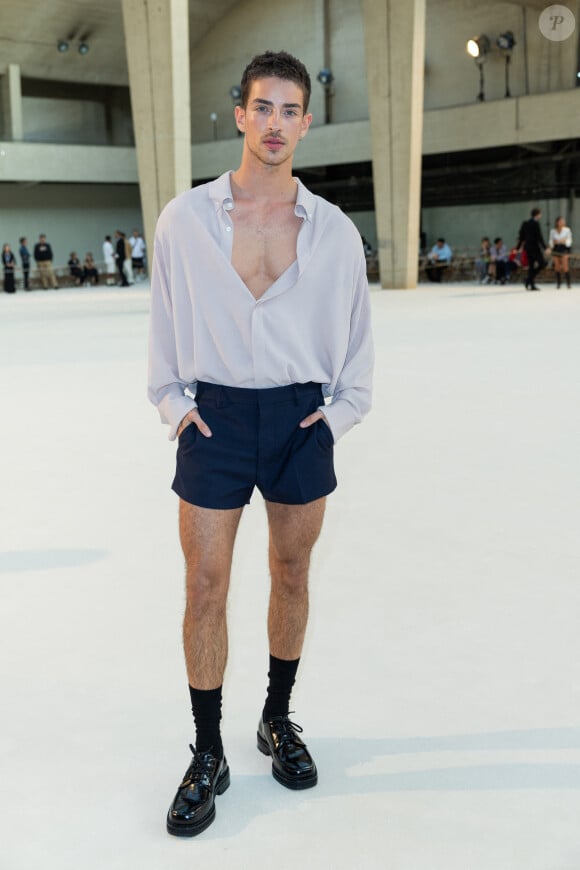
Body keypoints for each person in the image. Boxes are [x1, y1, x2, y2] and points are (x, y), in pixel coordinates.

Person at [148, 50, 374, 839]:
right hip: (213, 418)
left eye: (290, 111)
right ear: (240, 115)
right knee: (205, 586)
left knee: (290, 570)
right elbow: (163, 333)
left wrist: (335, 417)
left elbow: (358, 351)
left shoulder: (337, 234)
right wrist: (177, 408)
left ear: (306, 124)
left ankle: (277, 719)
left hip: (298, 420)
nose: (275, 124)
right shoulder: (184, 220)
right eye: (262, 107)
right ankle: (206, 751)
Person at [517, 207, 549, 291]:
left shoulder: (525, 223)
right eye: (540, 214)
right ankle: (529, 280)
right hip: (534, 248)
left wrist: (518, 247)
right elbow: (539, 237)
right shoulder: (535, 224)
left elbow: (521, 237)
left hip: (527, 248)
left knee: (531, 266)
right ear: (537, 214)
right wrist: (545, 248)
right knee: (542, 263)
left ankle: (531, 283)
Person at [549, 216, 572, 289]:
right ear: (557, 222)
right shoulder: (553, 231)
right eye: (561, 221)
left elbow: (569, 240)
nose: (562, 222)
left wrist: (563, 241)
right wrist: (553, 243)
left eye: (563, 221)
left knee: (565, 266)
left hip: (563, 248)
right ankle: (558, 283)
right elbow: (551, 241)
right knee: (557, 267)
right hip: (556, 249)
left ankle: (568, 283)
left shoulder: (567, 230)